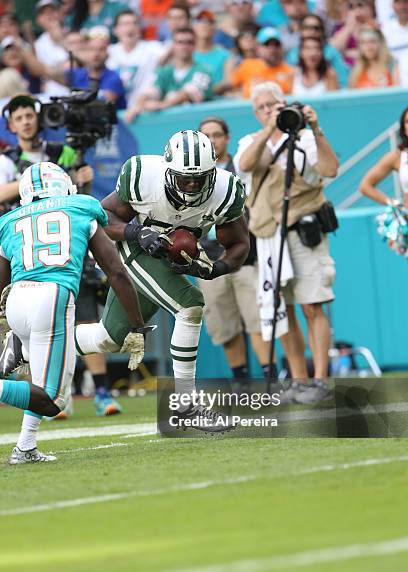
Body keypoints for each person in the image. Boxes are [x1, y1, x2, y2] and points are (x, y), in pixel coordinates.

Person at [71, 129, 250, 432]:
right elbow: (104, 218)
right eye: (185, 179)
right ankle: (186, 406)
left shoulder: (225, 189)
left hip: (167, 261)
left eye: (200, 178)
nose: (192, 186)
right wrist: (137, 232)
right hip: (133, 249)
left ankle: (33, 345)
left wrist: (215, 269)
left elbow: (239, 245)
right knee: (190, 306)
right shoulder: (143, 176)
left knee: (109, 338)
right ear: (169, 172)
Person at [0, 161, 147, 464]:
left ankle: (25, 446)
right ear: (64, 185)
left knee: (42, 381)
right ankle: (22, 347)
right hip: (52, 298)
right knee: (53, 400)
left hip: (17, 301)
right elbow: (116, 272)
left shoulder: (9, 220)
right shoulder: (81, 206)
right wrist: (136, 324)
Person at [0, 94, 122, 417]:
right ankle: (47, 392)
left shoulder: (62, 151)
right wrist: (36, 179)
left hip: (68, 245)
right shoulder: (7, 159)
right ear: (10, 125)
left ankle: (100, 391)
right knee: (37, 327)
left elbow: (82, 186)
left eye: (30, 115)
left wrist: (81, 178)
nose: (26, 121)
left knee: (82, 315)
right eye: (19, 117)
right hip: (27, 250)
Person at [234, 81, 339, 404]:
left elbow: (330, 169)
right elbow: (246, 165)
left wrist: (316, 127)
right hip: (269, 237)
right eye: (263, 107)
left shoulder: (305, 137)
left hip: (303, 232)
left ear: (285, 104)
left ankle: (320, 379)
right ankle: (299, 379)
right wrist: (270, 129)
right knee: (283, 309)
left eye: (274, 105)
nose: (269, 111)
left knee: (313, 304)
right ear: (255, 113)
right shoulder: (251, 141)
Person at [197, 116, 274, 384]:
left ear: (227, 137)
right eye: (206, 136)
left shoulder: (240, 166)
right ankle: (241, 381)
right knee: (224, 324)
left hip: (245, 256)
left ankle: (269, 377)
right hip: (208, 258)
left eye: (217, 135)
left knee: (256, 319)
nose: (212, 141)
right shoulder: (192, 173)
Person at [124, 27, 213, 122]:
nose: (184, 46)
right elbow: (151, 91)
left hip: (195, 124)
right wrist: (138, 106)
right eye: (180, 42)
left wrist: (163, 105)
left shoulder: (203, 70)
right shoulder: (165, 71)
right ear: (173, 45)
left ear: (195, 45)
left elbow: (187, 93)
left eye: (189, 42)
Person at [107, 10, 164, 108]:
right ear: (115, 30)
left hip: (143, 111)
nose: (130, 27)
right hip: (115, 111)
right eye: (125, 24)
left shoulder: (153, 48)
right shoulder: (108, 52)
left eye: (135, 23)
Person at [360, 106, 408, 208]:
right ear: (404, 129)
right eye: (407, 122)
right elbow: (365, 186)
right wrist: (393, 203)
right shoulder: (398, 156)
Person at [286, 14, 349, 88]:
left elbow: (343, 80)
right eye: (307, 27)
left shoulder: (333, 53)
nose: (312, 31)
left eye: (316, 28)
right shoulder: (292, 54)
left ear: (322, 31)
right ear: (301, 31)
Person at [229, 27, 294, 98]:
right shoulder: (246, 66)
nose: (272, 49)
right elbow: (231, 90)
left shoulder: (290, 72)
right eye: (267, 44)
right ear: (258, 47)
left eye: (276, 44)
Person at [192, 10, 235, 95]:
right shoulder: (187, 53)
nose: (205, 25)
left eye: (210, 22)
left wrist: (204, 92)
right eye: (200, 21)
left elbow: (229, 81)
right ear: (193, 27)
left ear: (215, 28)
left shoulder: (226, 55)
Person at [329, 0, 377, 66]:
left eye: (360, 5)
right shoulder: (341, 27)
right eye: (351, 7)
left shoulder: (377, 28)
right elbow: (331, 51)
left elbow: (371, 52)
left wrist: (345, 52)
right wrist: (349, 27)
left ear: (371, 8)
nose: (356, 10)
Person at [381, 0, 408, 87]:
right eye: (398, 3)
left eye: (406, 2)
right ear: (393, 5)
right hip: (393, 80)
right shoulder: (385, 29)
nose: (402, 7)